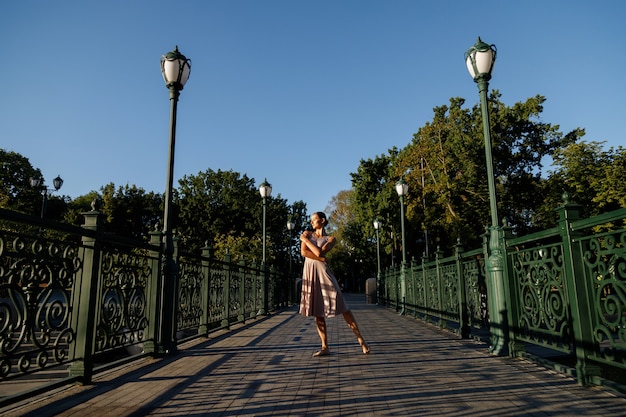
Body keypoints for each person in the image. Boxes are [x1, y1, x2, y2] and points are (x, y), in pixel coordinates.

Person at [299, 211, 370, 357]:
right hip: (310, 273)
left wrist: (306, 241)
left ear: (322, 220)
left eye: (314, 220)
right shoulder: (308, 233)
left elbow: (319, 253)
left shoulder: (331, 239)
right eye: (311, 220)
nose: (312, 222)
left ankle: (361, 340)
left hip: (324, 273)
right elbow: (304, 253)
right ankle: (325, 347)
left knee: (343, 306)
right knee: (317, 310)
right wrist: (321, 258)